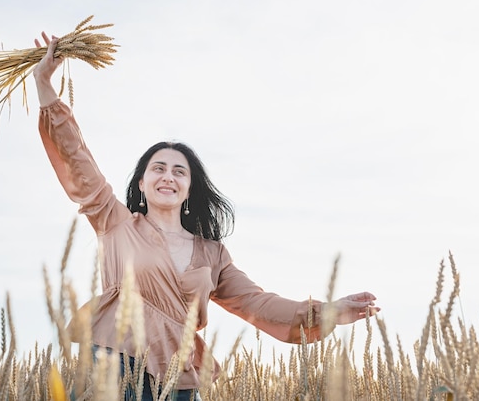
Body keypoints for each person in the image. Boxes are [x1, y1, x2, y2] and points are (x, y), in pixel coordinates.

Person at [33, 32, 380, 401]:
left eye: (179, 171)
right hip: (116, 365)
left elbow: (258, 305)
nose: (168, 176)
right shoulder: (116, 223)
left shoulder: (213, 254)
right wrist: (44, 84)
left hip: (180, 376)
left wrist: (327, 311)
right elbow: (77, 160)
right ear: (142, 182)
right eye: (158, 168)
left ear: (189, 188)